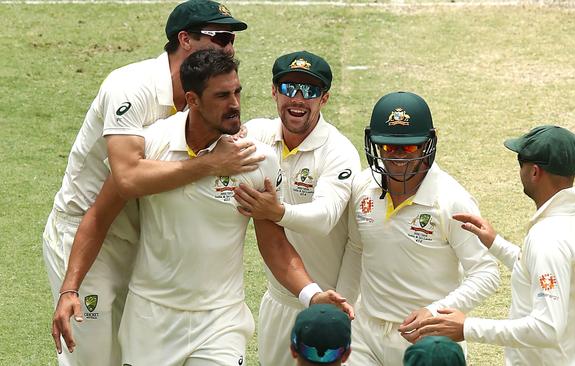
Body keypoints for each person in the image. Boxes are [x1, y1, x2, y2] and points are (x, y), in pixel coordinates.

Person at [53, 49, 352, 365]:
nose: (235, 104)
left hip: (221, 322)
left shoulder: (256, 160)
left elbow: (275, 244)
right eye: (222, 95)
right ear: (193, 100)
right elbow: (99, 217)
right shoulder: (152, 145)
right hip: (150, 320)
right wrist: (69, 289)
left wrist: (311, 295)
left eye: (237, 92)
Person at [45, 2, 260, 364]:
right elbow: (127, 179)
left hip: (142, 239)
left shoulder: (206, 95)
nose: (229, 47)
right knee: (97, 358)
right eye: (220, 37)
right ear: (185, 40)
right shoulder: (131, 87)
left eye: (232, 39)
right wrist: (210, 164)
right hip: (87, 232)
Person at [415, 125, 575, 366]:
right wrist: (495, 244)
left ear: (535, 172)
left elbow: (547, 327)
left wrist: (467, 327)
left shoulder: (548, 237)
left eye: (521, 162)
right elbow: (541, 271)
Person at [344, 91, 500, 365]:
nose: (397, 158)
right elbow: (356, 249)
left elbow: (486, 273)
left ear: (427, 145)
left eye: (407, 148)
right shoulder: (362, 186)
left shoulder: (451, 200)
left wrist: (435, 311)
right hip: (365, 335)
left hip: (427, 342)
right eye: (388, 147)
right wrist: (342, 309)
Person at [232, 50, 361, 366]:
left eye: (311, 91)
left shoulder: (339, 152)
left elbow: (325, 217)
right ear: (274, 92)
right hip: (279, 300)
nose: (299, 100)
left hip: (333, 305)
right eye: (290, 89)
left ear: (325, 98)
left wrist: (276, 212)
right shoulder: (258, 134)